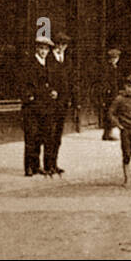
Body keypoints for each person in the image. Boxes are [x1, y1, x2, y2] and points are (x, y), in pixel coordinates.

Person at [20, 37, 58, 177]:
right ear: (37, 48)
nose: (43, 52)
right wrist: (32, 95)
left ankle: (38, 165)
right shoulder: (29, 64)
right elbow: (26, 85)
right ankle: (29, 167)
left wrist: (54, 91)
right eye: (41, 49)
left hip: (46, 106)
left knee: (44, 136)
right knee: (31, 137)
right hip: (32, 107)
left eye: (46, 49)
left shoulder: (48, 64)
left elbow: (53, 82)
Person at [47, 33, 72, 175]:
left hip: (62, 103)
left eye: (64, 45)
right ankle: (48, 164)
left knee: (57, 135)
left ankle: (54, 163)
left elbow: (70, 80)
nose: (61, 48)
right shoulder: (49, 59)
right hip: (51, 102)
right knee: (49, 134)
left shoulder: (67, 60)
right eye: (59, 44)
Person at [101, 47, 123, 140]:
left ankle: (109, 132)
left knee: (111, 113)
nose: (115, 60)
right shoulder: (108, 69)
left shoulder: (114, 68)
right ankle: (107, 133)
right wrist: (108, 91)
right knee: (108, 113)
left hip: (113, 93)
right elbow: (106, 82)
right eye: (114, 58)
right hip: (109, 94)